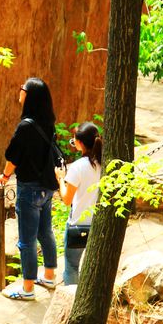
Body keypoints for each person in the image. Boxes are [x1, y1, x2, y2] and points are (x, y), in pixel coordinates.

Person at [0, 77, 60, 300]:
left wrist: (4, 176)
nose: (20, 91)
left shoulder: (26, 126)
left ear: (29, 95)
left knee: (27, 241)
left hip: (29, 190)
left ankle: (28, 288)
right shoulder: (48, 121)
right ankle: (50, 276)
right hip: (46, 188)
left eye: (22, 88)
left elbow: (13, 157)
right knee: (45, 233)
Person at [58, 122, 102, 285]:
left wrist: (60, 179)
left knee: (71, 267)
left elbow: (66, 199)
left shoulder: (78, 167)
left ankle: (71, 304)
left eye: (74, 139)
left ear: (80, 143)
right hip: (97, 225)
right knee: (92, 269)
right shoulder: (104, 164)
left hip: (78, 226)